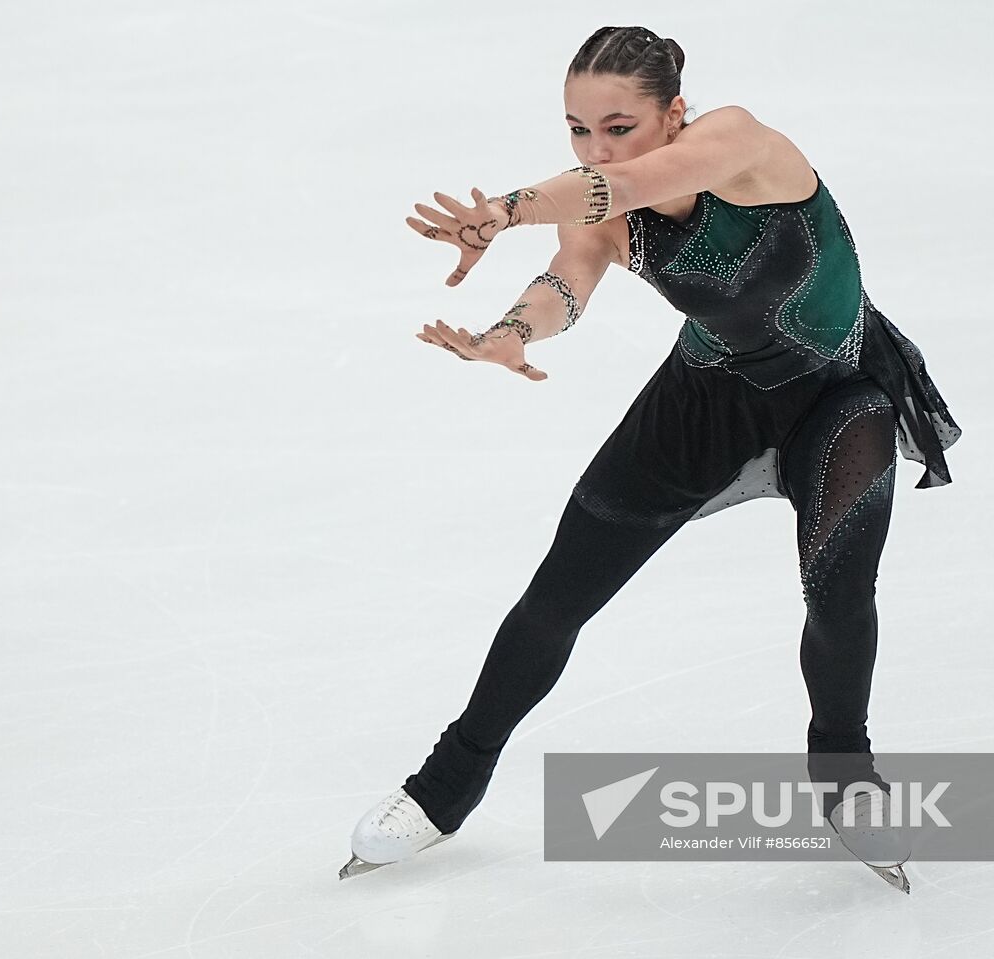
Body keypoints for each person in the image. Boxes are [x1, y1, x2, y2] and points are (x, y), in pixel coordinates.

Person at [339, 25, 960, 885]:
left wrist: (507, 209)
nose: (597, 147)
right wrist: (509, 335)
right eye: (578, 129)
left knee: (840, 587)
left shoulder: (740, 143)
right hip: (702, 402)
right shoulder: (610, 210)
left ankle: (846, 781)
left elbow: (620, 184)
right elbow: (567, 278)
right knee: (559, 594)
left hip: (838, 394)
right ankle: (446, 787)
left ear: (673, 113)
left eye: (618, 125)